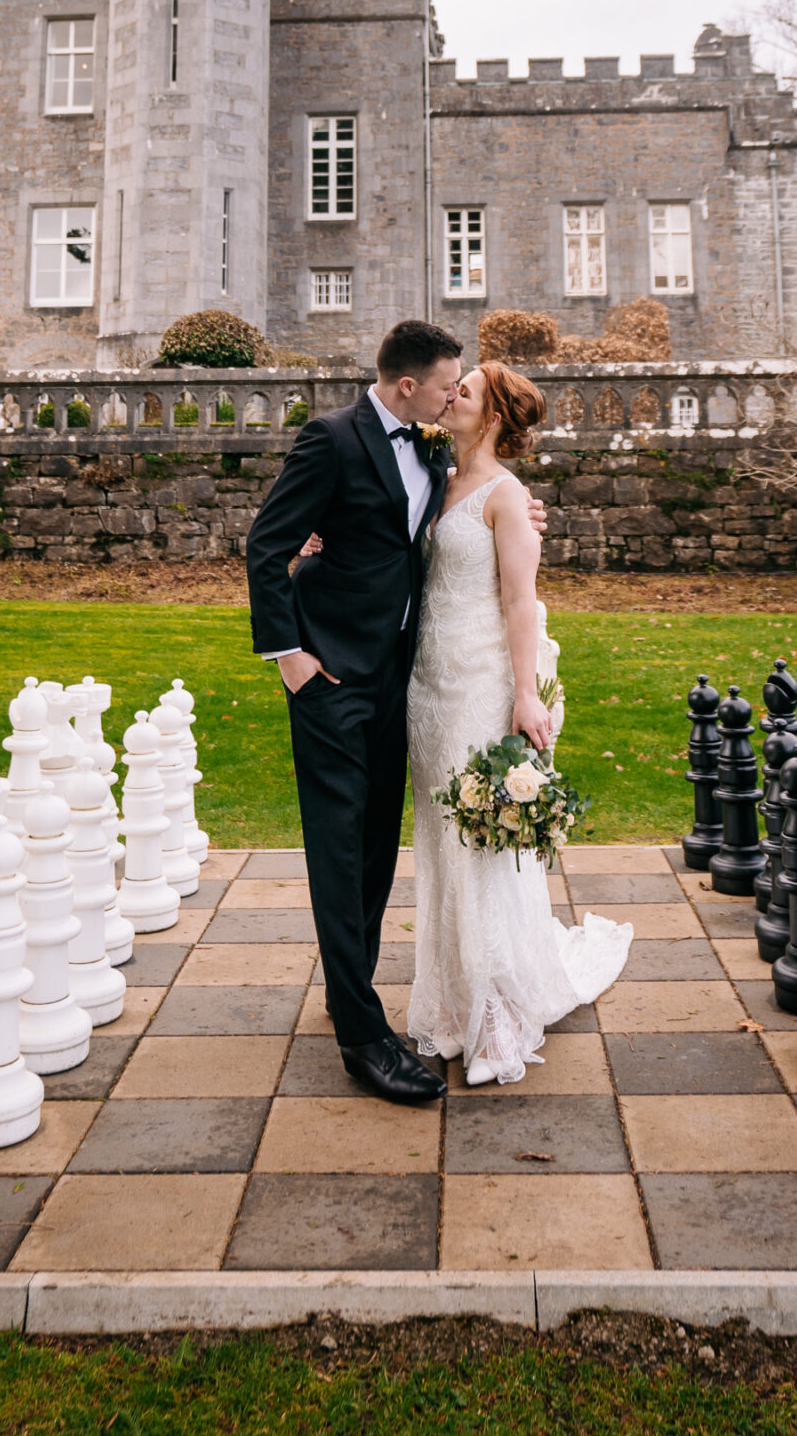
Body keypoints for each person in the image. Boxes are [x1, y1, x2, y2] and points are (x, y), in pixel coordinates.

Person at [246, 320, 542, 1106]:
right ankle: (361, 1037)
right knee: (340, 857)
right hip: (329, 681)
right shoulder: (331, 438)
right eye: (449, 383)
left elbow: (441, 531)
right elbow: (266, 543)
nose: (455, 395)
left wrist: (517, 516)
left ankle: (353, 987)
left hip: (403, 684)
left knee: (376, 850)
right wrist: (292, 661)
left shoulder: (435, 452)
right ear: (408, 385)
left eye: (461, 390)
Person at [408, 361, 632, 1085]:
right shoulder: (432, 481)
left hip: (481, 682)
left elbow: (520, 603)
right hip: (426, 687)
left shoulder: (508, 497)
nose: (450, 397)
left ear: (495, 415)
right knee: (443, 843)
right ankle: (450, 1003)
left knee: (481, 842)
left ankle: (498, 1019)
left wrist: (527, 695)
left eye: (463, 392)